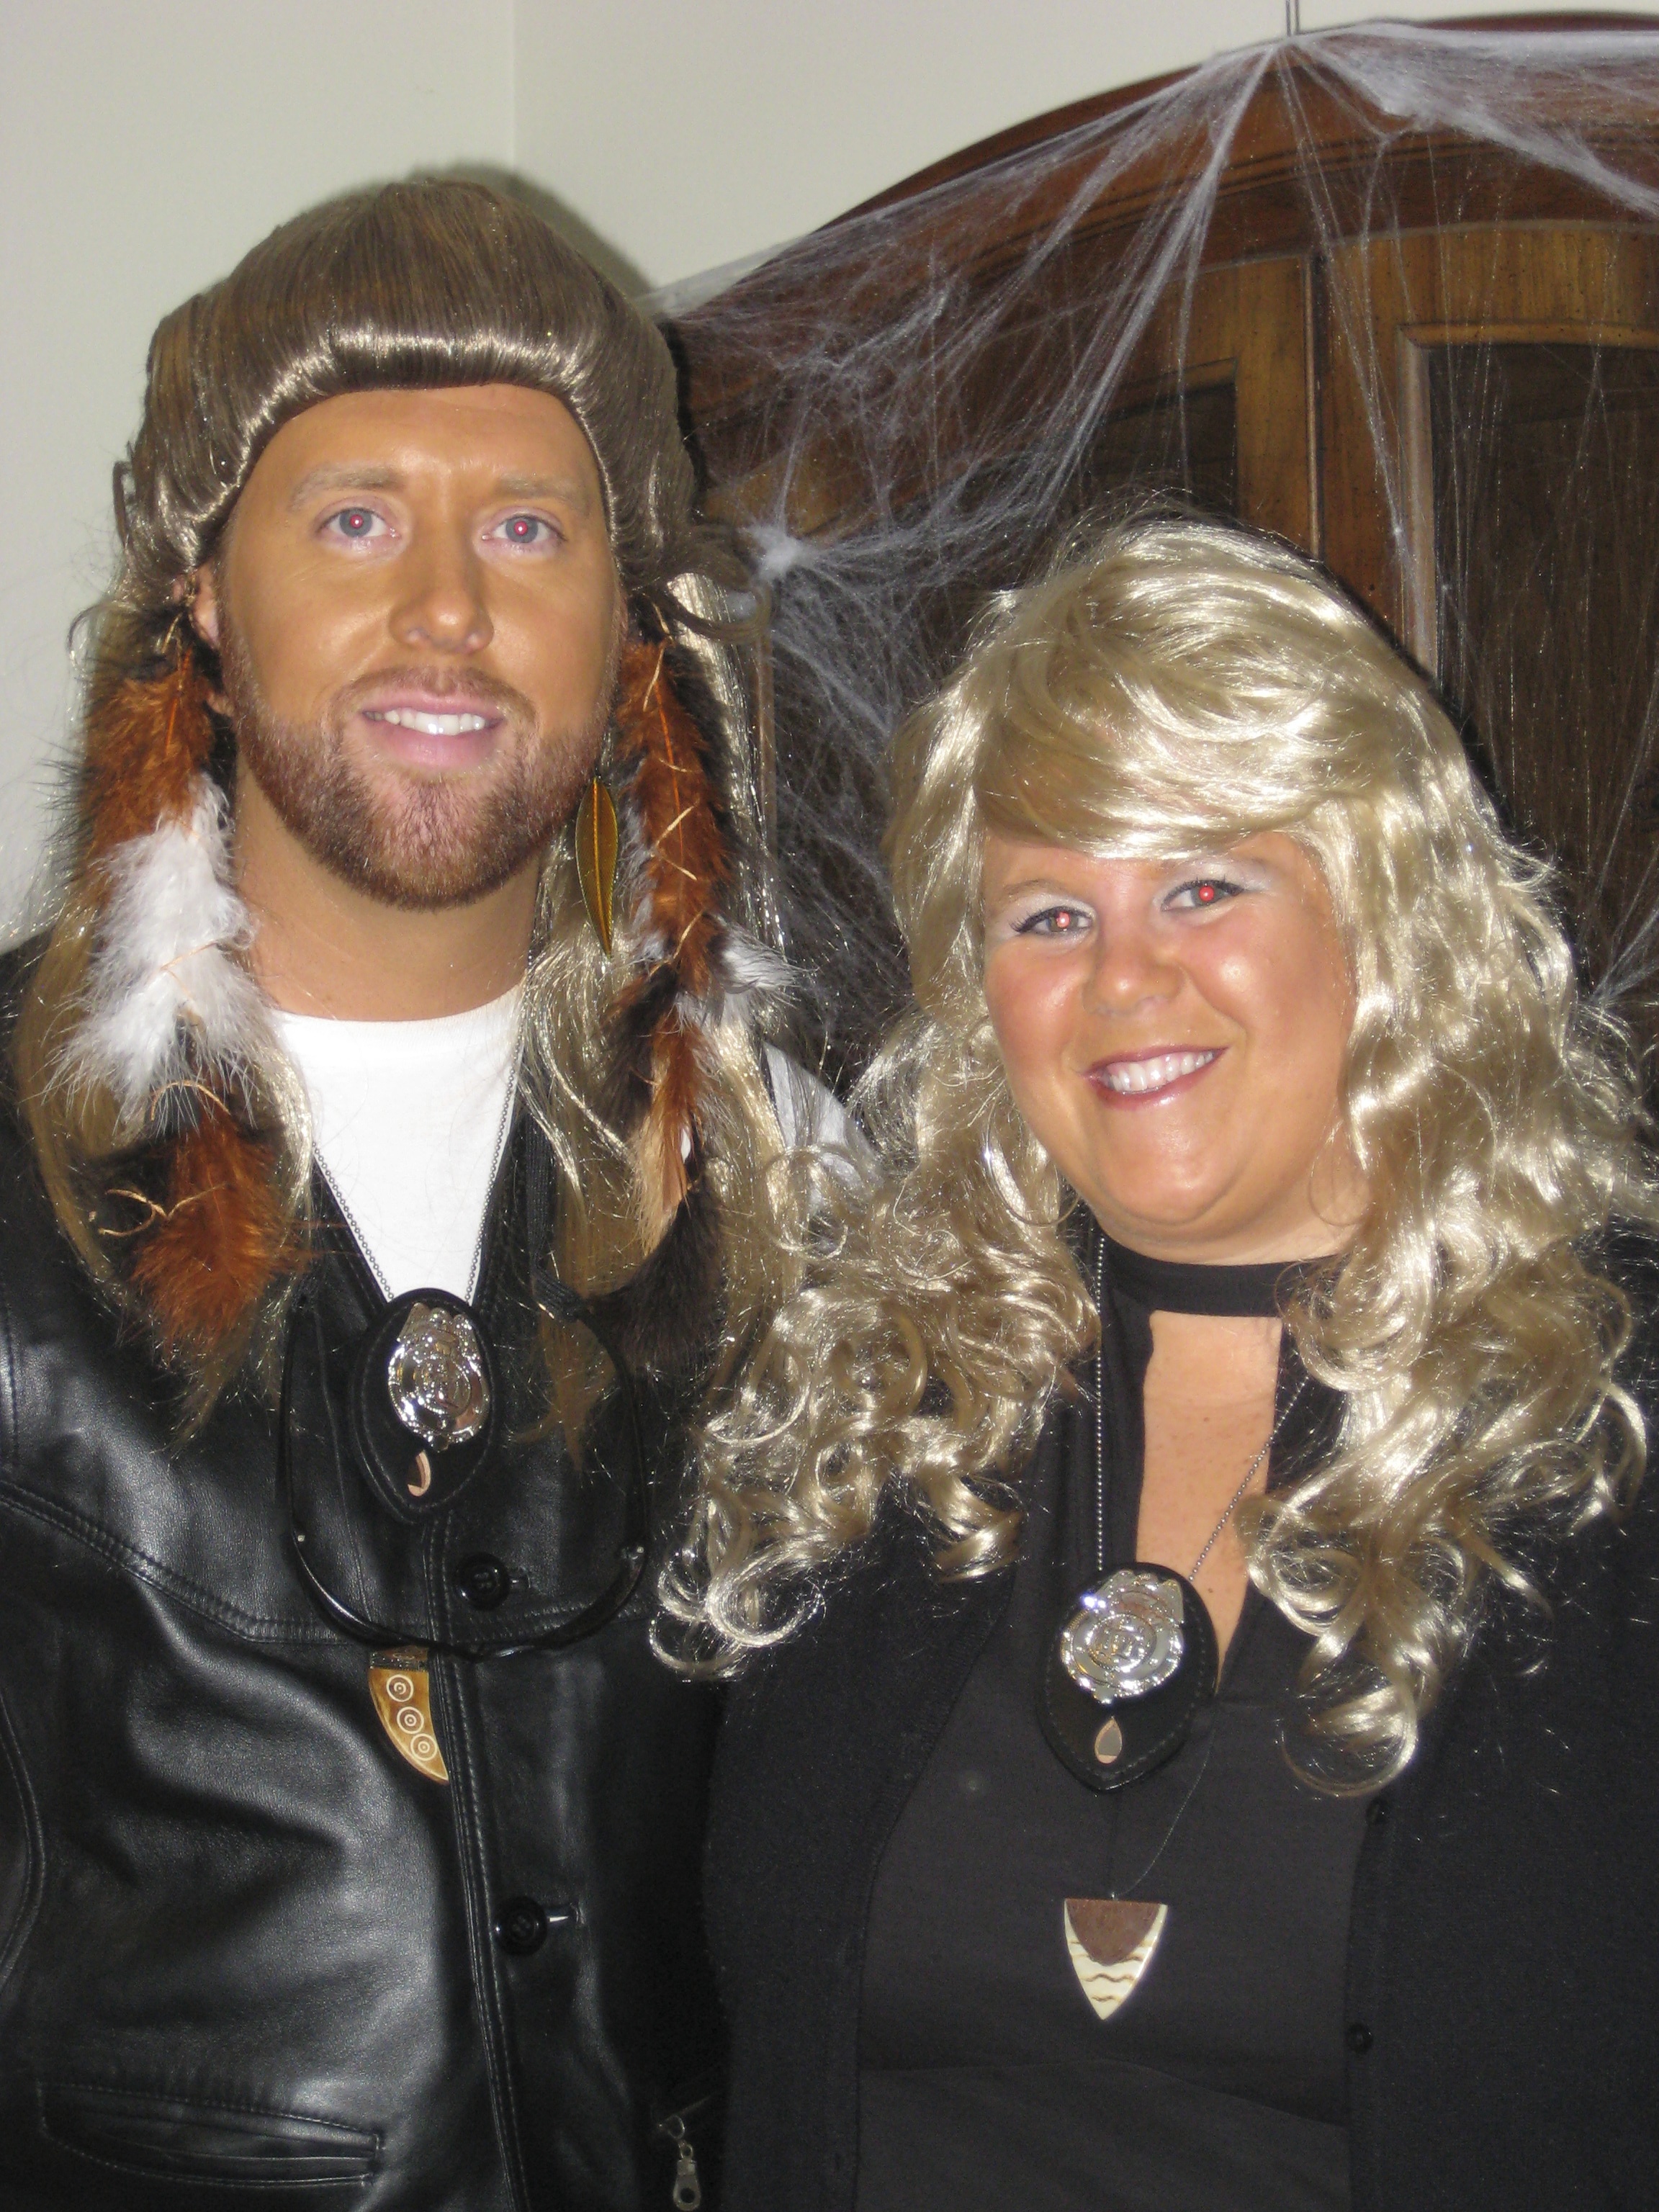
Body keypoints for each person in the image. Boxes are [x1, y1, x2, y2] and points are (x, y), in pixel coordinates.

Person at [671, 515, 1659, 2211]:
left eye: (1203, 885)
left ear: (1383, 908)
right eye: (1050, 912)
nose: (1124, 980)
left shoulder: (1615, 1414)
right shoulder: (863, 1420)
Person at [0, 179, 810, 2210]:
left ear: (628, 621)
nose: (447, 610)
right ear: (204, 596)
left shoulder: (781, 1176)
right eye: (356, 520)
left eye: (527, 531)